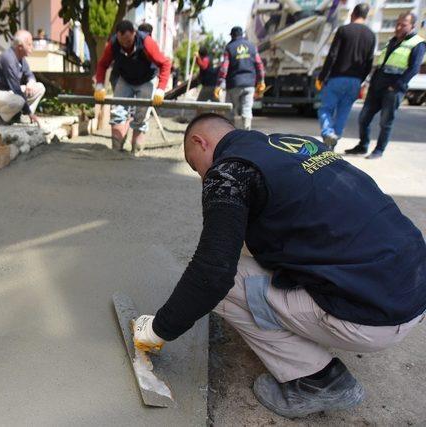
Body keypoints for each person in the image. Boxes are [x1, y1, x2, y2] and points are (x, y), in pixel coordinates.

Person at [133, 112, 426, 418]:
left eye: (197, 168)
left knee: (224, 285)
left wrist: (157, 330)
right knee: (243, 247)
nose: (203, 178)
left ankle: (320, 381)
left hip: (375, 315)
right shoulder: (292, 144)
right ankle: (311, 323)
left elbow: (211, 274)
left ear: (199, 142)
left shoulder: (230, 172)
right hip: (410, 287)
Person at [345, 12, 425, 159]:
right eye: (397, 23)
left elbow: (414, 68)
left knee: (385, 122)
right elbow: (382, 63)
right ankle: (362, 146)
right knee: (364, 117)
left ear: (412, 26)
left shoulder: (418, 43)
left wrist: (396, 86)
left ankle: (379, 150)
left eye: (403, 24)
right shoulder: (391, 41)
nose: (398, 27)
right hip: (377, 86)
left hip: (393, 89)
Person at [94, 20, 171, 155]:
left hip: (146, 79)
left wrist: (160, 89)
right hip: (125, 79)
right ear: (117, 36)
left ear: (134, 34)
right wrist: (99, 85)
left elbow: (165, 64)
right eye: (122, 42)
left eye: (128, 41)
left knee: (141, 115)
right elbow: (102, 64)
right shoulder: (113, 44)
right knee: (118, 111)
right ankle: (116, 150)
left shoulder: (147, 42)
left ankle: (136, 150)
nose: (125, 45)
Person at [316, 3, 376, 150]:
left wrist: (322, 76)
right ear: (365, 16)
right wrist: (360, 80)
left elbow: (332, 55)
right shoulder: (371, 35)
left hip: (337, 77)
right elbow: (369, 62)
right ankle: (334, 138)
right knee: (343, 111)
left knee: (325, 109)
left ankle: (328, 132)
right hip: (355, 81)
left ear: (353, 14)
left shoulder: (344, 30)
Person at [0, 30, 45, 126]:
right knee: (19, 100)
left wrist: (31, 82)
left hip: (9, 92)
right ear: (20, 46)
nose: (32, 48)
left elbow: (29, 74)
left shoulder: (21, 59)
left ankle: (23, 116)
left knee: (39, 87)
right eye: (29, 44)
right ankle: (1, 116)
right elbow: (16, 89)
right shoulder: (8, 59)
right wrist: (29, 113)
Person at [215, 26, 266, 130]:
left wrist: (219, 84)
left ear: (232, 35)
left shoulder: (229, 47)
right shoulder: (252, 46)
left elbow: (224, 68)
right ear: (242, 34)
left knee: (231, 110)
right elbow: (259, 64)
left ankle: (230, 134)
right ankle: (247, 132)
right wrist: (261, 81)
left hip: (234, 84)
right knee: (247, 109)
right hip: (249, 84)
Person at [194, 46, 220, 114]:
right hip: (213, 84)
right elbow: (201, 65)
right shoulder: (210, 58)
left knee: (199, 104)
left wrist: (197, 58)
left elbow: (203, 66)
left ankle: (199, 118)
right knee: (217, 104)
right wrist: (197, 59)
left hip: (208, 85)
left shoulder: (206, 59)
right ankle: (222, 115)